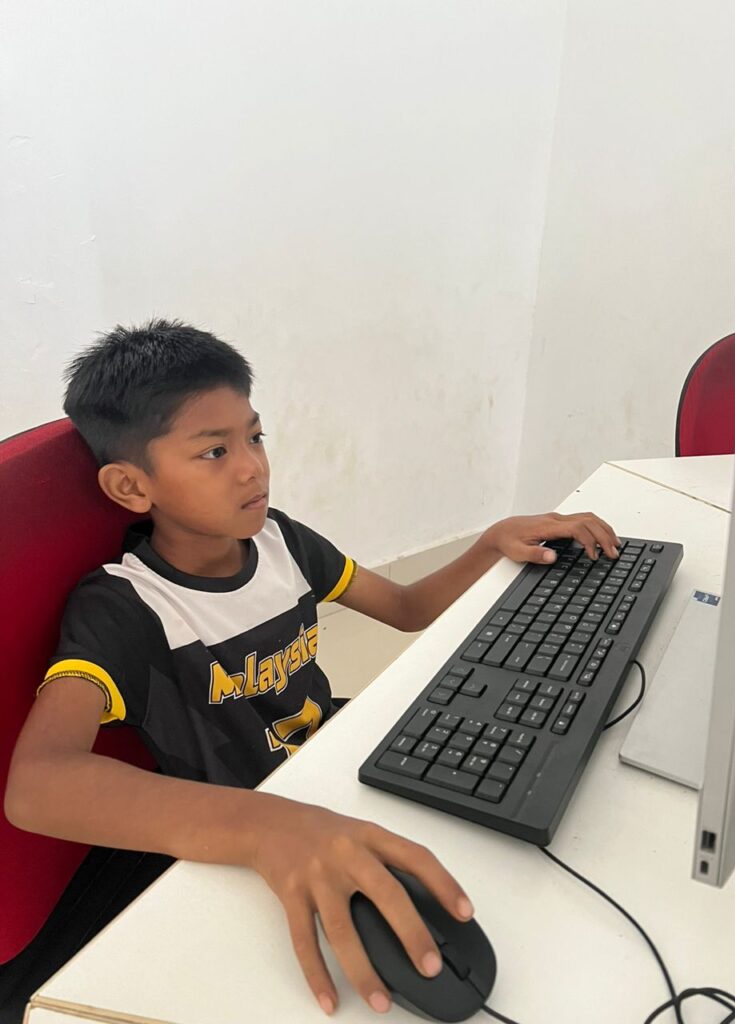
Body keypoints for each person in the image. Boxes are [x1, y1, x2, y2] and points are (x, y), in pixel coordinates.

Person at [4, 319, 620, 1017]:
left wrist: (491, 544)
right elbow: (39, 784)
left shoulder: (282, 542)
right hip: (245, 830)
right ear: (130, 487)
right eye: (214, 451)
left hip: (330, 774)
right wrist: (268, 826)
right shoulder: (126, 606)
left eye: (255, 437)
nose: (252, 468)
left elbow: (408, 608)